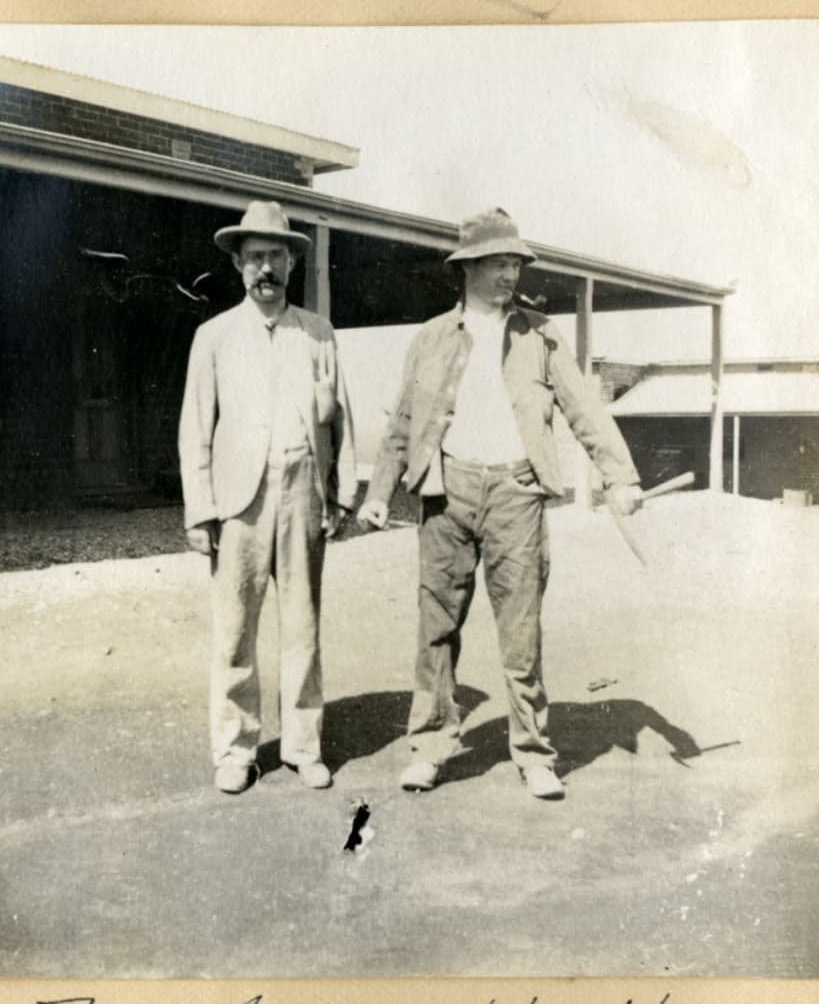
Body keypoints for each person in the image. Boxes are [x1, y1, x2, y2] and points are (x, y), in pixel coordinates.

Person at [357, 207, 642, 800]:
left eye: (516, 263)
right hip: (446, 492)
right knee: (436, 629)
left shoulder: (540, 333)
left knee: (521, 632)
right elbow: (404, 420)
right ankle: (430, 749)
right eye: (499, 263)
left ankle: (534, 755)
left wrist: (621, 475)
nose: (511, 273)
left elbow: (583, 408)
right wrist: (379, 492)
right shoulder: (432, 337)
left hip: (517, 493)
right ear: (468, 267)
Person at [179, 200, 358, 794]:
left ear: (291, 263)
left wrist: (342, 494)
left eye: (276, 256)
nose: (266, 269)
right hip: (240, 502)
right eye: (254, 257)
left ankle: (304, 746)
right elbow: (195, 428)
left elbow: (341, 417)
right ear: (237, 264)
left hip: (303, 492)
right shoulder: (213, 337)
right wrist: (200, 510)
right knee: (235, 630)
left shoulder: (317, 334)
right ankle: (236, 749)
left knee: (303, 627)